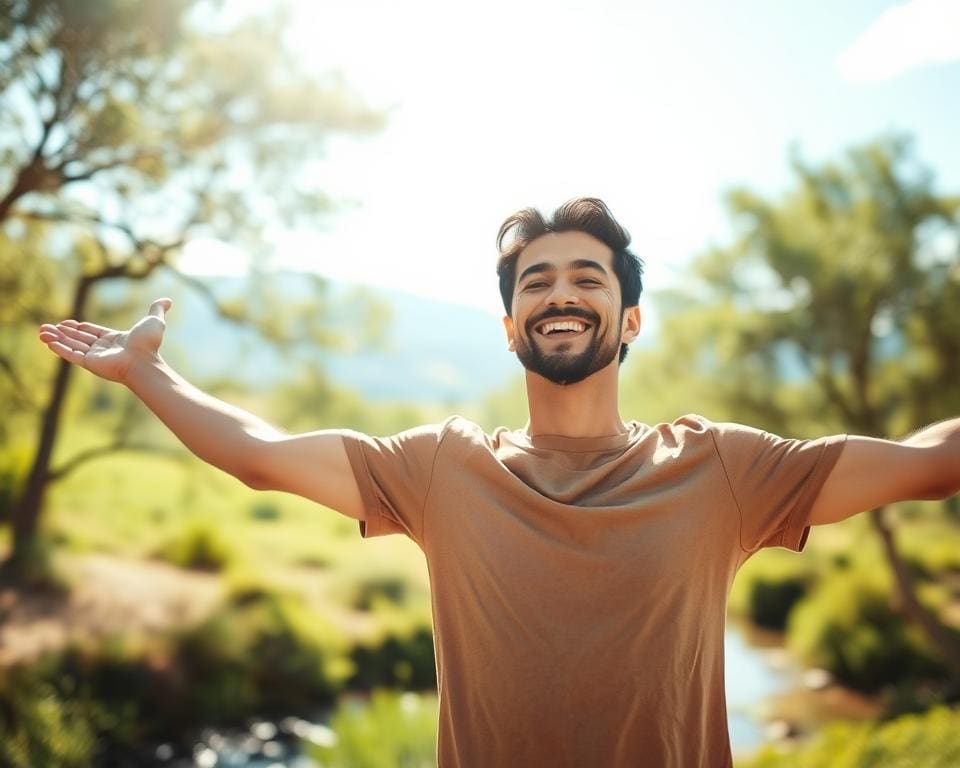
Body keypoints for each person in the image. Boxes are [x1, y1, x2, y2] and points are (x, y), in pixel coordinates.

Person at [39, 197, 959, 767]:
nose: (560, 292)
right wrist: (146, 373)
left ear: (631, 319)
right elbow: (262, 455)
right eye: (536, 282)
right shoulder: (444, 467)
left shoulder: (722, 467)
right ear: (510, 324)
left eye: (587, 278)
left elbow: (926, 464)